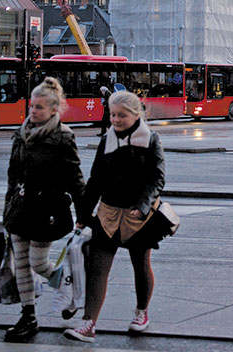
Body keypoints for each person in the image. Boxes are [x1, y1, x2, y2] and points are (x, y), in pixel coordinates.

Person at [64, 90, 165, 343]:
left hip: (138, 215)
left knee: (140, 264)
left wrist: (143, 205)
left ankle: (141, 313)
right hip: (108, 212)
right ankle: (89, 324)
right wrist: (84, 214)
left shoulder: (151, 139)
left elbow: (157, 178)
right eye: (112, 115)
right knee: (98, 268)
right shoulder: (106, 140)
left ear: (136, 115)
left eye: (121, 115)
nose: (115, 120)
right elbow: (95, 180)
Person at [2, 77, 87, 343]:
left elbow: (75, 178)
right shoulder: (22, 133)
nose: (33, 111)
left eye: (39, 107)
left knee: (38, 262)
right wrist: (8, 207)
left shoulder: (63, 137)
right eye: (31, 106)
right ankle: (28, 316)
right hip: (20, 207)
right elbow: (13, 174)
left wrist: (83, 215)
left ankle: (69, 288)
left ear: (54, 109)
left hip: (46, 209)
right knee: (21, 263)